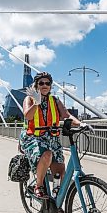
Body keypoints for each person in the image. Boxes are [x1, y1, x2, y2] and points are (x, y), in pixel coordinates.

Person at [20, 71, 86, 199]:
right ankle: (38, 186)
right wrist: (36, 103)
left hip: (52, 138)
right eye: (41, 83)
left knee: (61, 172)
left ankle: (57, 200)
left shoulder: (55, 100)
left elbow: (66, 115)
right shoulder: (29, 99)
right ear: (36, 85)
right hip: (33, 137)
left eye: (48, 83)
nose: (45, 85)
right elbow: (27, 115)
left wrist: (80, 124)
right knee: (47, 155)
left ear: (50, 86)